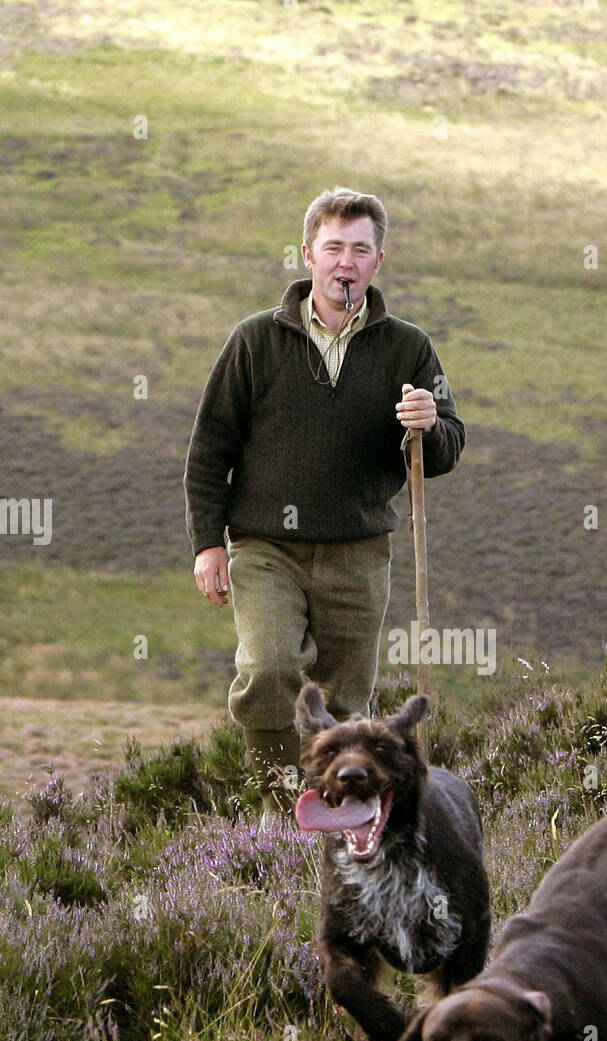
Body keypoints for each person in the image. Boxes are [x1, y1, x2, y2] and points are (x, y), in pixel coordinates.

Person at [184, 187, 465, 819]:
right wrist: (207, 543)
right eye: (333, 247)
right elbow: (209, 450)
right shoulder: (255, 340)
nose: (346, 262)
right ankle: (277, 803)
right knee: (269, 668)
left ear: (377, 262)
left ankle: (337, 814)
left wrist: (428, 423)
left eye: (359, 250)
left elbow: (447, 448)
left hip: (359, 550)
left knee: (343, 704)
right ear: (308, 253)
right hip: (264, 546)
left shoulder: (408, 348)